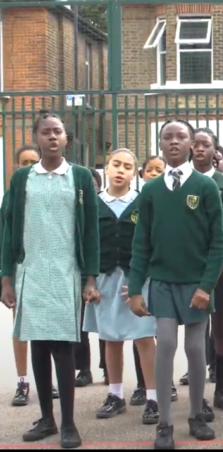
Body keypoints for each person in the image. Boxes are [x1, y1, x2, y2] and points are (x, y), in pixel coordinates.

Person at [1, 112, 100, 448]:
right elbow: (8, 230)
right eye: (46, 132)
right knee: (39, 346)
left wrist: (91, 278)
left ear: (67, 139)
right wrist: (6, 279)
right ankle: (47, 418)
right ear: (36, 137)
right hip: (32, 271)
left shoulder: (82, 177)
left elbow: (91, 232)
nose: (52, 137)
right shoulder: (21, 179)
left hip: (66, 271)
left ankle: (69, 423)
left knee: (62, 346)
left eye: (58, 131)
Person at [127, 118, 223, 449]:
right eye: (167, 137)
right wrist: (136, 287)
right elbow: (141, 241)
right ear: (160, 144)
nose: (174, 142)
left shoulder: (205, 186)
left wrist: (206, 285)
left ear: (191, 144)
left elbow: (219, 242)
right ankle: (165, 424)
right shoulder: (151, 190)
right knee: (166, 344)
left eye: (180, 136)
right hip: (164, 283)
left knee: (197, 348)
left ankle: (197, 415)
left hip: (196, 284)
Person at [83, 149, 162, 425]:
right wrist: (89, 280)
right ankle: (115, 394)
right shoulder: (94, 204)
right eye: (116, 164)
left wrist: (143, 280)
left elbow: (154, 242)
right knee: (111, 338)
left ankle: (153, 396)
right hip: (105, 279)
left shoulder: (143, 203)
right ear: (106, 168)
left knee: (144, 338)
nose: (120, 170)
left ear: (135, 173)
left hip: (136, 281)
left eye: (127, 166)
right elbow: (87, 245)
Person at [191, 128, 223, 412]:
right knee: (195, 328)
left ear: (215, 150)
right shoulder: (183, 183)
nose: (200, 149)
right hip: (191, 266)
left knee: (220, 326)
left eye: (206, 144)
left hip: (221, 265)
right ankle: (198, 394)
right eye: (196, 144)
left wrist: (221, 262)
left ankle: (221, 388)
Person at [4, 145, 59, 407]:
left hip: (49, 266)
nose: (28, 165)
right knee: (22, 328)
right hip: (21, 267)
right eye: (23, 161)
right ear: (17, 166)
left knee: (47, 327)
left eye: (33, 161)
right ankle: (23, 381)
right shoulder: (11, 196)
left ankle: (46, 381)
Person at [130, 157, 177, 408]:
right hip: (142, 274)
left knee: (164, 336)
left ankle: (165, 382)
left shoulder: (172, 196)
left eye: (160, 170)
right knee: (141, 335)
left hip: (163, 275)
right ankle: (142, 384)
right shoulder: (142, 199)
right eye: (151, 170)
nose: (155, 173)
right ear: (142, 174)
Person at [74, 170, 105, 389]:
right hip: (78, 271)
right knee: (80, 325)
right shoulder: (75, 208)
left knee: (105, 324)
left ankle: (108, 369)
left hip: (102, 270)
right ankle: (84, 369)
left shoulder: (105, 206)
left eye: (94, 185)